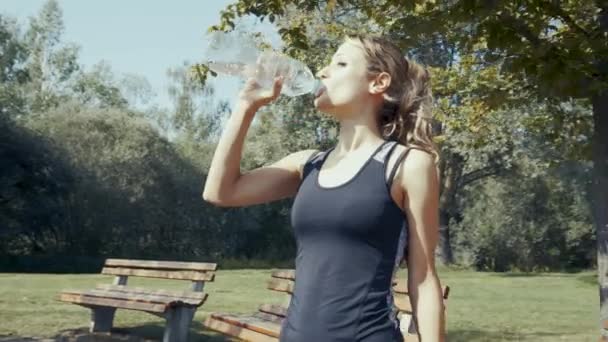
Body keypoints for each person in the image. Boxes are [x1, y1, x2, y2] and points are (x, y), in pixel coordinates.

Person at [203, 34, 445, 342]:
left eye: (340, 63)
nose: (322, 72)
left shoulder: (408, 164)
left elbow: (423, 279)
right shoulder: (307, 164)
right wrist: (246, 106)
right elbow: (221, 193)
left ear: (378, 83)